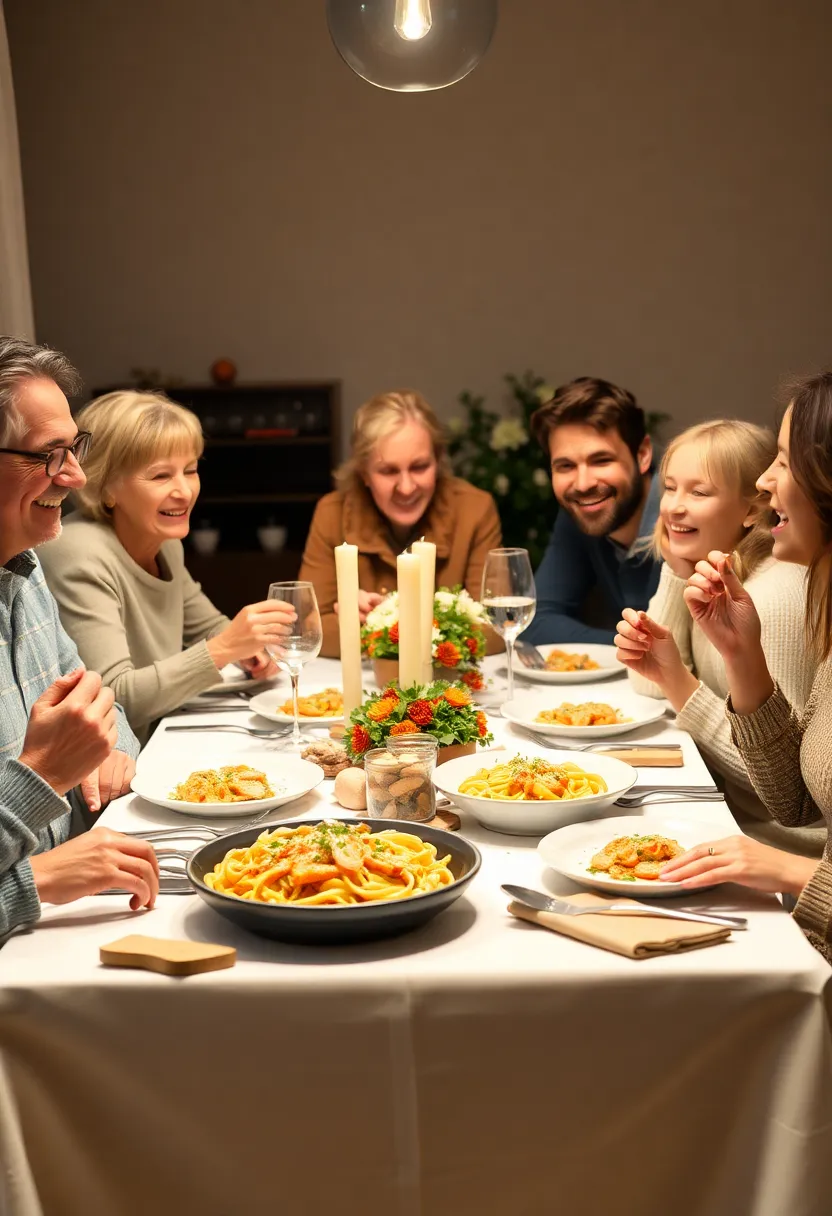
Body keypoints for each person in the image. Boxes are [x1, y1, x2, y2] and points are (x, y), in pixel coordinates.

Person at [654, 373, 832, 963]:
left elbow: (785, 824)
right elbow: (797, 800)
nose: (764, 481)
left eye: (783, 461)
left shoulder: (787, 595)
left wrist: (789, 869)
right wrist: (741, 654)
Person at [0, 336, 159, 934]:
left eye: (76, 448)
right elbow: (55, 761)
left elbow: (108, 716)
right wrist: (35, 880)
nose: (75, 475)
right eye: (49, 454)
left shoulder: (25, 565)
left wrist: (110, 750)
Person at [40, 390, 296, 744]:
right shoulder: (77, 552)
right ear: (106, 487)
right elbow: (114, 697)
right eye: (161, 476)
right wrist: (224, 649)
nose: (184, 491)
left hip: (158, 739)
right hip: (111, 770)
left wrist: (249, 651)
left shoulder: (165, 544)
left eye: (190, 470)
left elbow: (206, 626)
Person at [615, 420, 820, 853]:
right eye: (669, 488)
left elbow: (789, 786)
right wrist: (676, 566)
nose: (673, 507)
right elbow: (648, 684)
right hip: (731, 818)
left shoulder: (773, 596)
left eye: (699, 492)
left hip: (778, 843)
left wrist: (680, 686)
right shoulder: (722, 576)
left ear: (752, 509)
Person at [298, 390, 503, 657]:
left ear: (438, 460)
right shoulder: (332, 513)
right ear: (364, 473)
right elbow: (308, 630)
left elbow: (498, 629)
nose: (406, 488)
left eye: (419, 467)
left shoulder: (474, 509)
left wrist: (386, 619)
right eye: (388, 471)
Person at [522, 377, 662, 645]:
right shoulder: (581, 511)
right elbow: (536, 621)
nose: (583, 484)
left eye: (601, 460)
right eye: (565, 466)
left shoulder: (683, 512)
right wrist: (639, 649)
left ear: (643, 455)